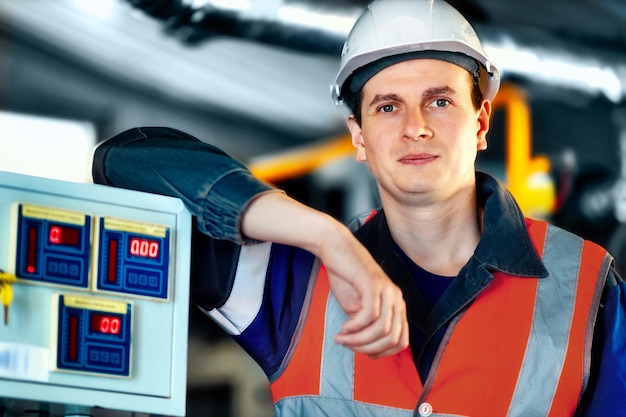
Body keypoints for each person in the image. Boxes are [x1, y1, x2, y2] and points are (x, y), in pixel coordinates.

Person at [92, 0, 626, 415]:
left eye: (440, 100)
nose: (415, 125)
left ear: (481, 122)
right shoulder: (290, 279)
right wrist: (329, 239)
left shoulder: (586, 288)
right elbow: (125, 160)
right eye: (387, 106)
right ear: (360, 136)